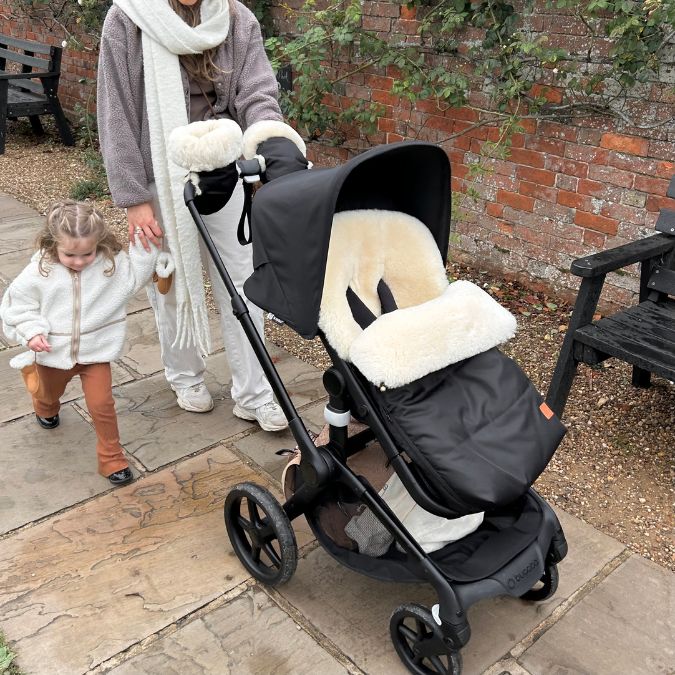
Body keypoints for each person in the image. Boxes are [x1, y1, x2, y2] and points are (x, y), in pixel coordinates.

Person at [96, 0, 301, 431]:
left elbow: (257, 92)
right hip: (159, 173)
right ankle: (185, 376)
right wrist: (134, 198)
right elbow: (116, 112)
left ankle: (255, 392)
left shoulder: (236, 18)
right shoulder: (128, 19)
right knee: (170, 282)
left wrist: (269, 142)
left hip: (223, 167)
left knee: (244, 283)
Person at [0, 200, 160, 486]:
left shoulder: (110, 264)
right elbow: (16, 305)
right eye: (70, 254)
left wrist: (147, 246)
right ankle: (44, 406)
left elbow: (136, 276)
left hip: (95, 352)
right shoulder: (40, 270)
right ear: (52, 245)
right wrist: (32, 332)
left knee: (102, 404)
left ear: (98, 243)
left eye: (86, 253)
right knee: (49, 395)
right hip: (52, 353)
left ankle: (112, 459)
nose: (79, 261)